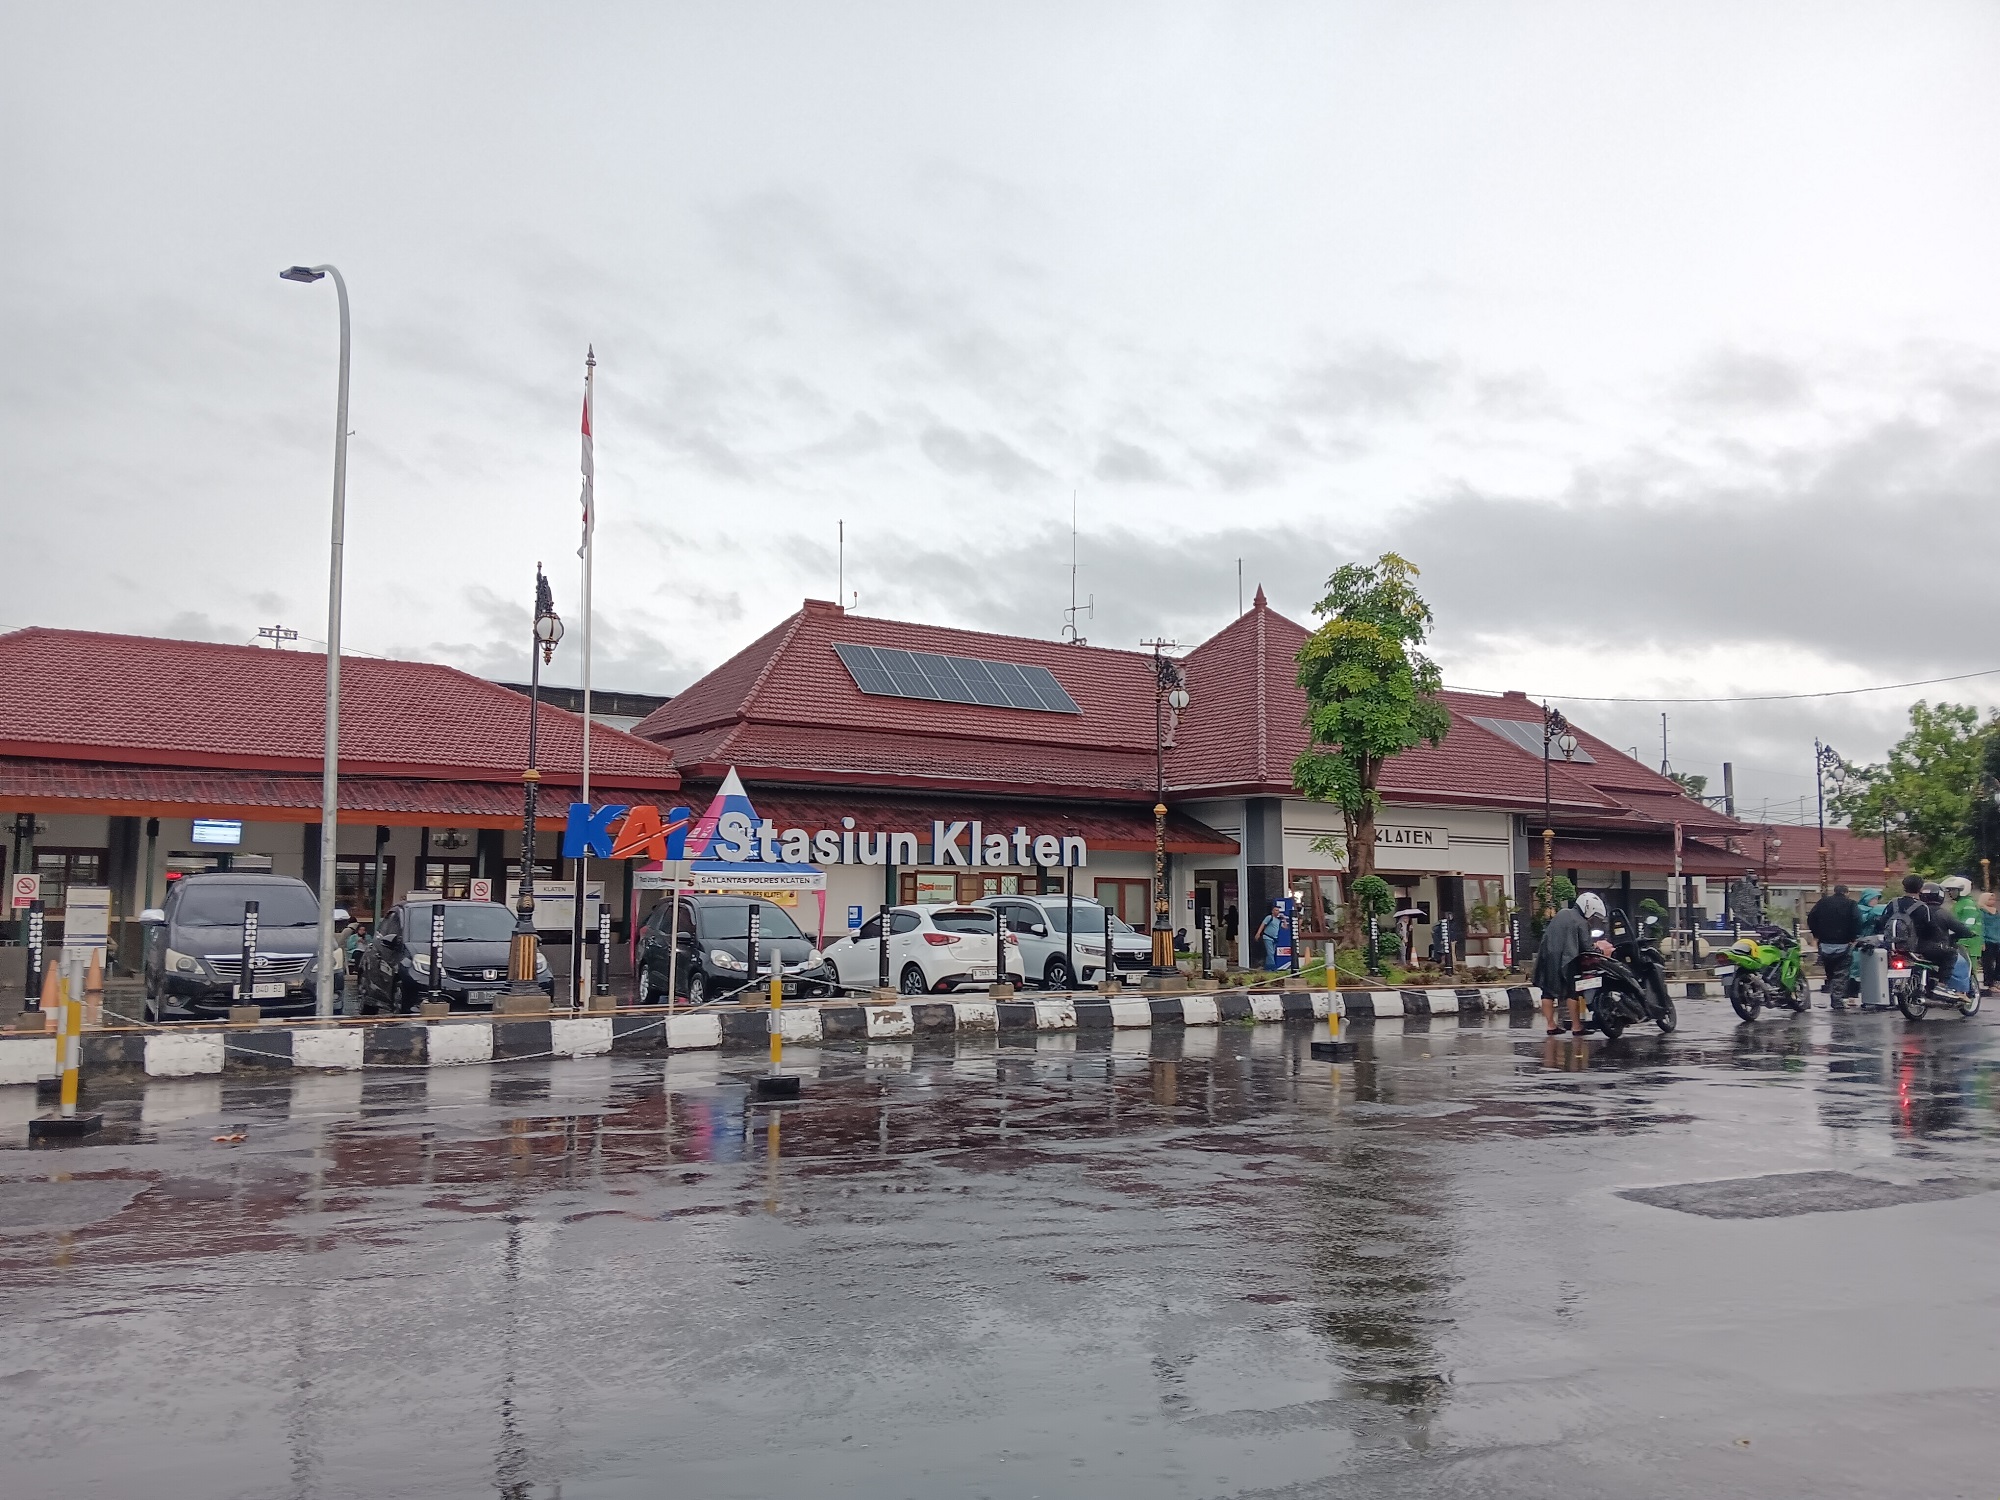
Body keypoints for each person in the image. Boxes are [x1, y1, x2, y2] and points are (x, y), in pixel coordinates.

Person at [1533, 891, 1608, 1037]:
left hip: (1547, 956)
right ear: (1589, 908)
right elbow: (1587, 947)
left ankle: (1551, 1025)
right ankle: (1576, 1026)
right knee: (1572, 992)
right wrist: (1600, 950)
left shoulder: (1561, 913)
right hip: (1568, 959)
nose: (1592, 918)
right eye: (1593, 915)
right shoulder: (1581, 922)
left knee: (1547, 992)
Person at [1911, 883, 1974, 998]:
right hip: (1934, 948)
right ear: (1940, 896)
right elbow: (1959, 927)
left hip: (1913, 947)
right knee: (1951, 954)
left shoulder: (1915, 911)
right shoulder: (1942, 913)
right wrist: (1970, 933)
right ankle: (1942, 985)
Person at [1806, 883, 1861, 1007]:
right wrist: (1853, 937)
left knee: (1830, 971)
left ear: (1834, 891)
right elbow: (1856, 920)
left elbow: (1811, 918)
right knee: (1841, 972)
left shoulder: (1822, 902)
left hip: (1825, 943)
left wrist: (1817, 934)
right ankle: (1836, 999)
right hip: (1844, 943)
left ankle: (1833, 991)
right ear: (1846, 893)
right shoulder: (1851, 904)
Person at [1942, 876, 1983, 996]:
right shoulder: (1959, 903)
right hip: (1959, 940)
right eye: (1949, 890)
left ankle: (1968, 993)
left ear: (1962, 890)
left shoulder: (1968, 903)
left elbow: (1968, 924)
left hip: (1968, 942)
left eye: (1953, 890)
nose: (1950, 893)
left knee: (1969, 969)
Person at [1255, 902, 1286, 971]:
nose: (1277, 912)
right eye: (1276, 910)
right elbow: (1263, 924)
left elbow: (1285, 927)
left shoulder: (1278, 920)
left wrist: (1284, 919)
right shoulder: (1269, 917)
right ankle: (1273, 967)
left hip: (1274, 938)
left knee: (1271, 953)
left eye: (1278, 911)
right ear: (1272, 911)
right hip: (1267, 937)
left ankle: (1268, 967)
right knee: (1270, 952)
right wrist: (1258, 933)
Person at [1981, 892, 2000, 994]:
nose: (1992, 901)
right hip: (1988, 940)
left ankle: (1997, 981)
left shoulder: (1996, 911)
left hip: (1997, 939)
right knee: (1988, 963)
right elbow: (1981, 926)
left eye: (1994, 899)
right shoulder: (1981, 911)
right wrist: (1982, 941)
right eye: (1990, 899)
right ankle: (1989, 983)